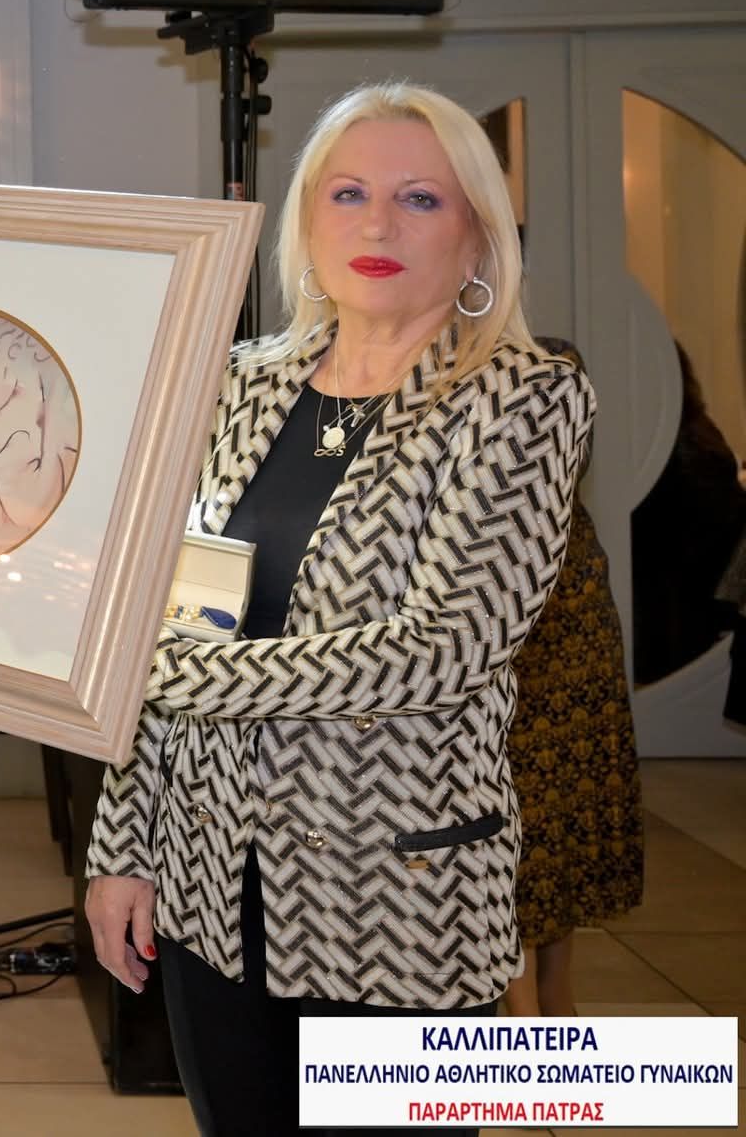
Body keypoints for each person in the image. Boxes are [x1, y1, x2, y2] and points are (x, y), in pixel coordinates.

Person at [82, 81, 596, 1137]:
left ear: (477, 234)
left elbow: (441, 650)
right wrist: (122, 847)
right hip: (209, 890)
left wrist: (160, 668)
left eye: (420, 199)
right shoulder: (237, 385)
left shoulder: (523, 399)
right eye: (348, 193)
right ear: (307, 220)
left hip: (399, 898)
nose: (376, 225)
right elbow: (180, 614)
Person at [503, 341, 643, 1016]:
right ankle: (536, 1008)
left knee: (544, 829)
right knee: (536, 828)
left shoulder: (544, 367)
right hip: (550, 629)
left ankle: (538, 1010)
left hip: (555, 637)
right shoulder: (552, 365)